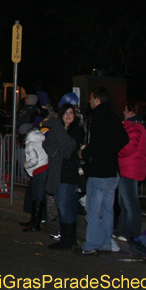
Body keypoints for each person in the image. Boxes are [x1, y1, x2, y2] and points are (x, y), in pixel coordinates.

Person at [78, 87, 129, 255]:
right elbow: (124, 139)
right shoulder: (114, 117)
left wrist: (86, 153)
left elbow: (97, 143)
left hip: (99, 170)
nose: (89, 101)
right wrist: (111, 150)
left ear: (97, 100)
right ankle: (105, 242)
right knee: (108, 210)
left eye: (91, 98)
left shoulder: (98, 117)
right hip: (112, 170)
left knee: (93, 210)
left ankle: (91, 244)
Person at [43, 103, 84, 249]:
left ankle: (67, 239)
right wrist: (56, 152)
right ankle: (68, 238)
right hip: (57, 171)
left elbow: (68, 148)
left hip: (69, 173)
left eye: (71, 113)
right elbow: (47, 144)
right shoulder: (57, 129)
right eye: (66, 112)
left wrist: (59, 147)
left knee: (65, 206)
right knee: (65, 206)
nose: (68, 115)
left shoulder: (77, 130)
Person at [115, 102, 146, 241]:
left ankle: (131, 231)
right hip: (129, 167)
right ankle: (123, 230)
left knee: (129, 202)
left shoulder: (134, 127)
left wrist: (114, 150)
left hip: (129, 168)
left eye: (125, 110)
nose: (123, 113)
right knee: (125, 202)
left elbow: (128, 148)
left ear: (131, 112)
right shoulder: (136, 126)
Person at [21, 120, 48, 232]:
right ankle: (34, 220)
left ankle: (35, 223)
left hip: (38, 170)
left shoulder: (30, 144)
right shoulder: (40, 140)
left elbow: (34, 160)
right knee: (36, 195)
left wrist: (26, 165)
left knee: (37, 197)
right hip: (44, 168)